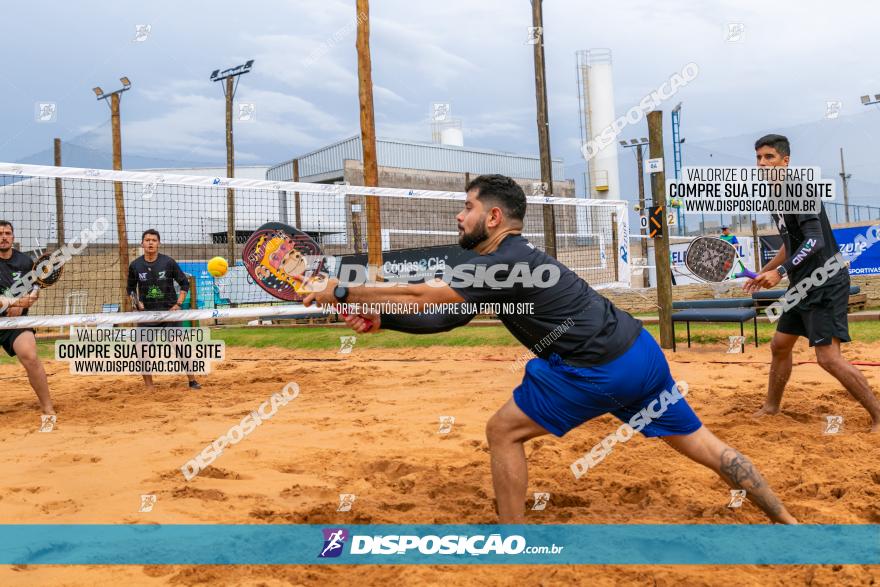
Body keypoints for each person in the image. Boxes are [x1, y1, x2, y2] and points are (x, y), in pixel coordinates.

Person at [300, 174, 797, 524]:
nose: (458, 216)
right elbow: (446, 316)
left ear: (493, 217)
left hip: (595, 370)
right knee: (706, 446)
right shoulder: (507, 259)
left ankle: (511, 541)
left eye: (467, 207)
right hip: (641, 355)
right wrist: (384, 319)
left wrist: (342, 289)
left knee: (502, 432)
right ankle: (786, 520)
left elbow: (425, 293)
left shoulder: (501, 259)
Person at [745, 134, 880, 432]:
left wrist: (779, 274)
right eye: (758, 158)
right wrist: (762, 271)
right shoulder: (775, 196)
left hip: (825, 282)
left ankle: (878, 415)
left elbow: (815, 241)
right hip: (801, 286)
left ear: (785, 160)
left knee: (828, 358)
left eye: (769, 157)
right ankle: (771, 407)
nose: (762, 163)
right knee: (780, 345)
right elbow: (790, 244)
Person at [127, 229, 201, 390]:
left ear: (158, 243)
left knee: (180, 346)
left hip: (169, 313)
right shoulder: (135, 265)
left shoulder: (168, 262)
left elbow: (184, 284)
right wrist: (136, 303)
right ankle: (149, 386)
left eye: (154, 240)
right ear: (142, 243)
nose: (150, 242)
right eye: (147, 240)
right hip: (147, 316)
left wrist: (178, 304)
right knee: (141, 349)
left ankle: (192, 380)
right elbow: (130, 290)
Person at [0, 220, 55, 415]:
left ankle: (47, 407)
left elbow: (35, 288)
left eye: (7, 233)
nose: (3, 237)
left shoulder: (25, 262)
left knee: (31, 357)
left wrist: (31, 298)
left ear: (13, 237)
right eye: (0, 233)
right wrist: (14, 303)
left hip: (16, 323)